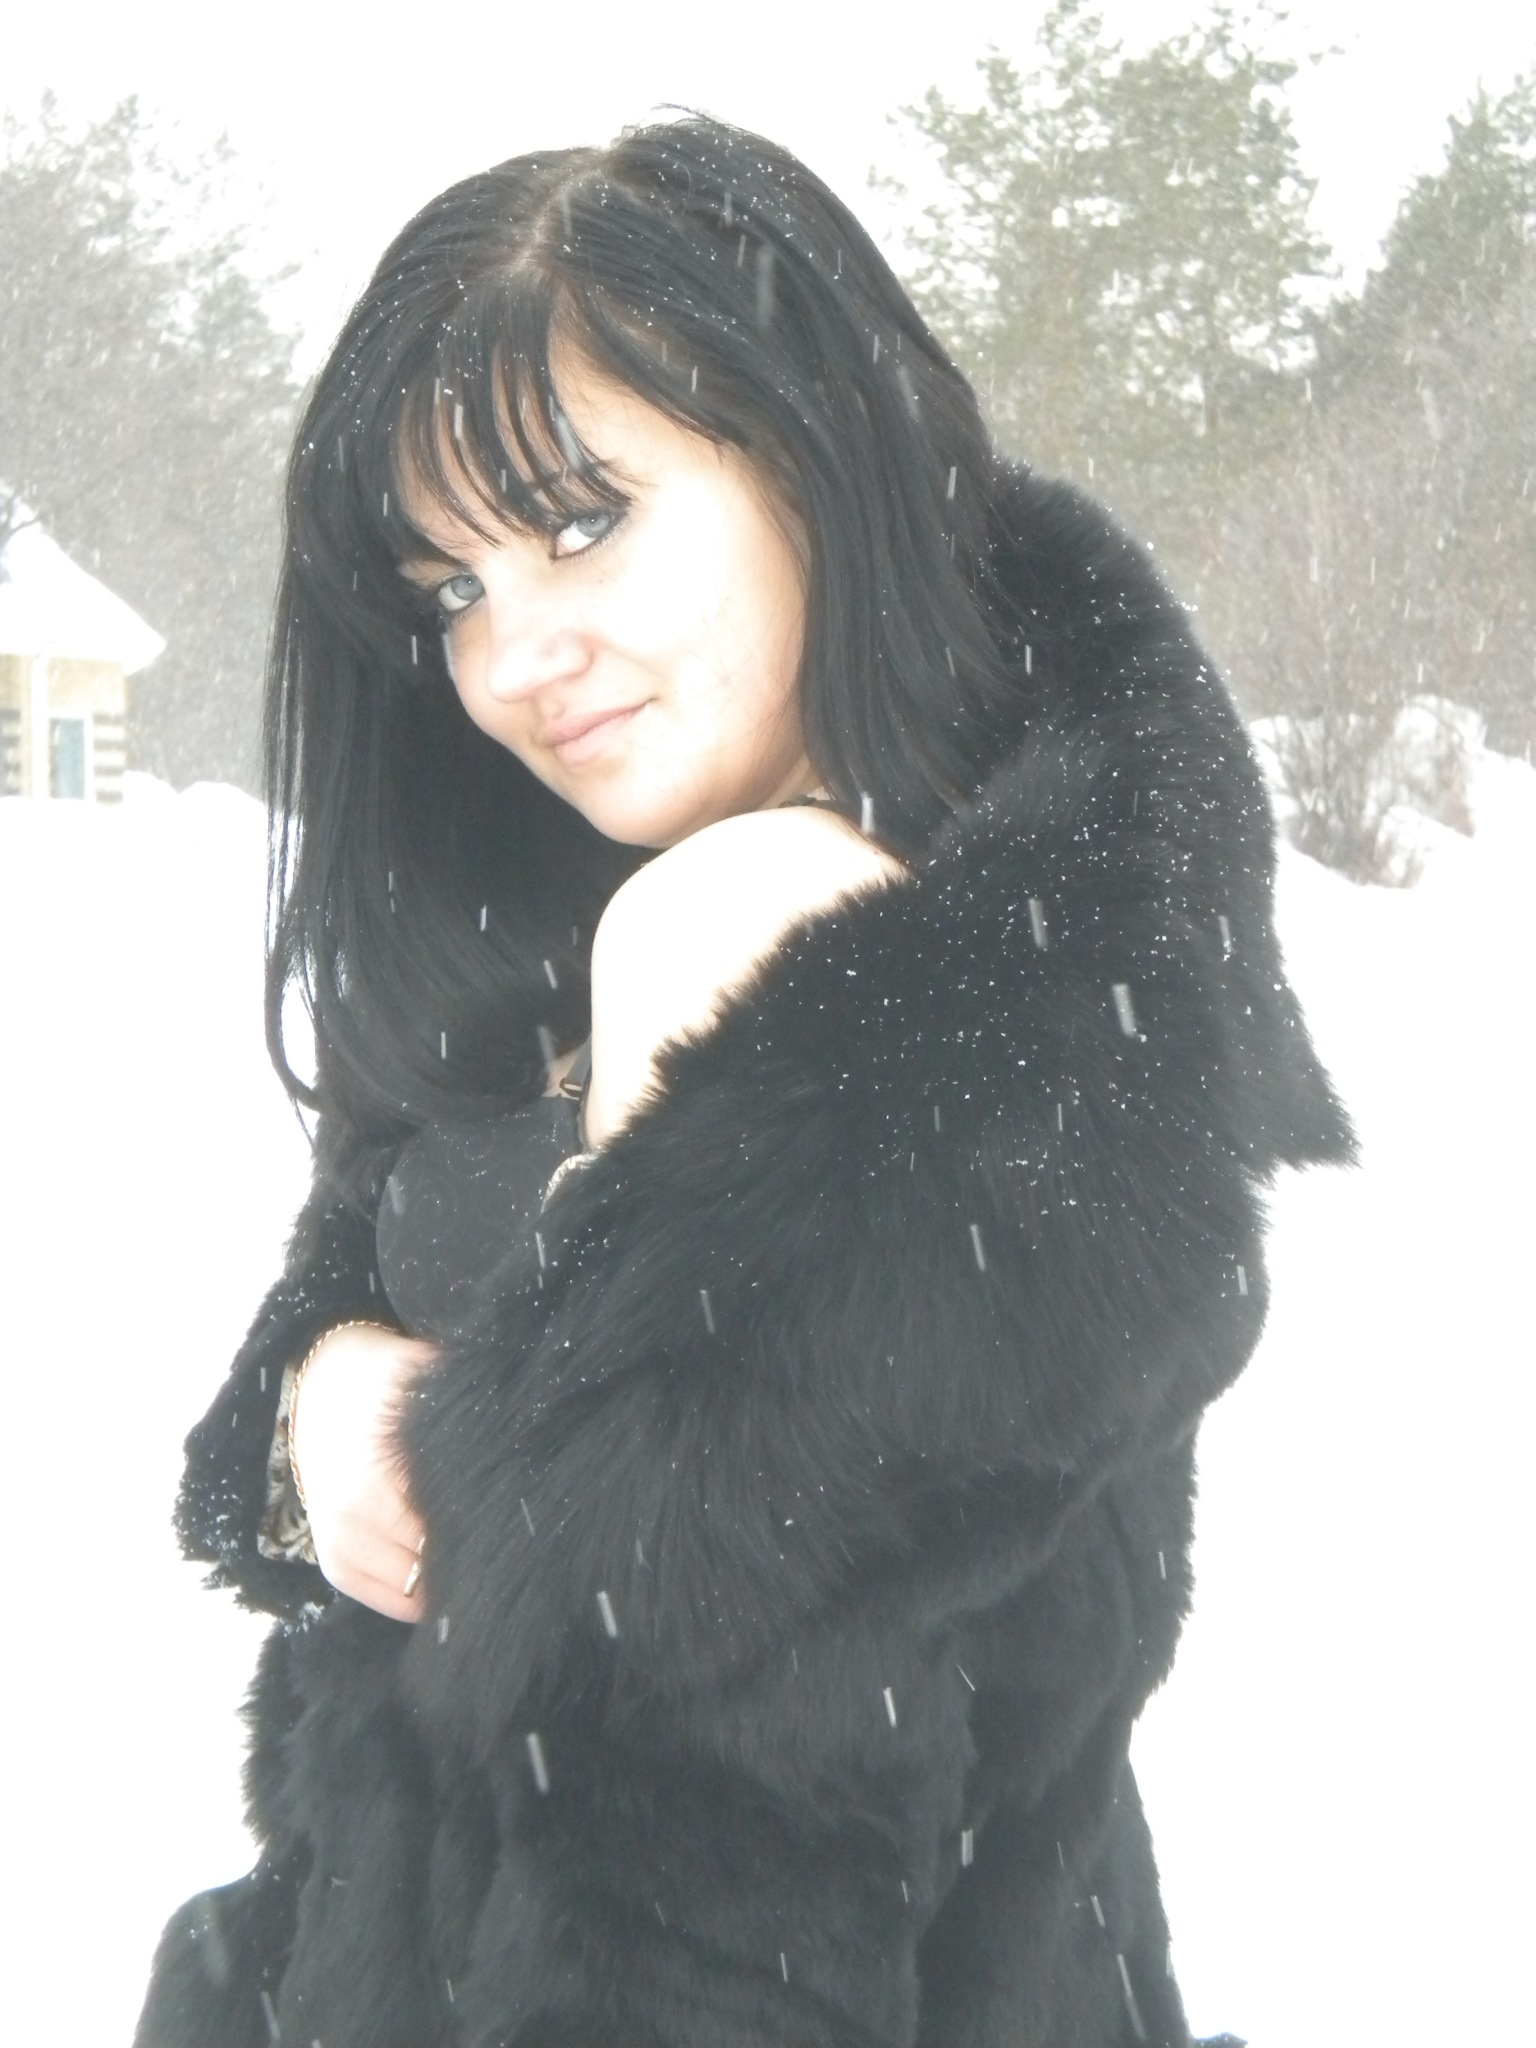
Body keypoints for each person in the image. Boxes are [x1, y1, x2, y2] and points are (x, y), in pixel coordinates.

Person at [136, 116, 1351, 2048]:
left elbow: (700, 1879)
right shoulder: (678, 894)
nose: (512, 654)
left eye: (579, 519)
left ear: (809, 450)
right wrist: (320, 1407)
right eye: (449, 588)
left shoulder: (799, 937)